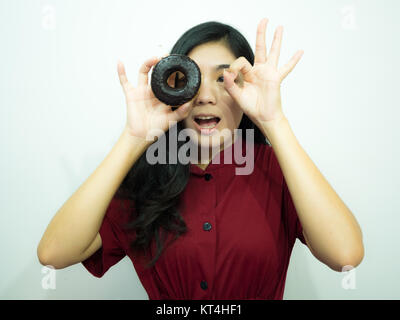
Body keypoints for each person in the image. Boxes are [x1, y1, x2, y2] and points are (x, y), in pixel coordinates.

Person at [37, 18, 364, 300]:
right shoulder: (146, 180)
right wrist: (133, 139)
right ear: (171, 87)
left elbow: (345, 255)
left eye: (224, 79)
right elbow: (54, 254)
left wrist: (274, 121)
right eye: (191, 79)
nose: (206, 96)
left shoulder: (279, 171)